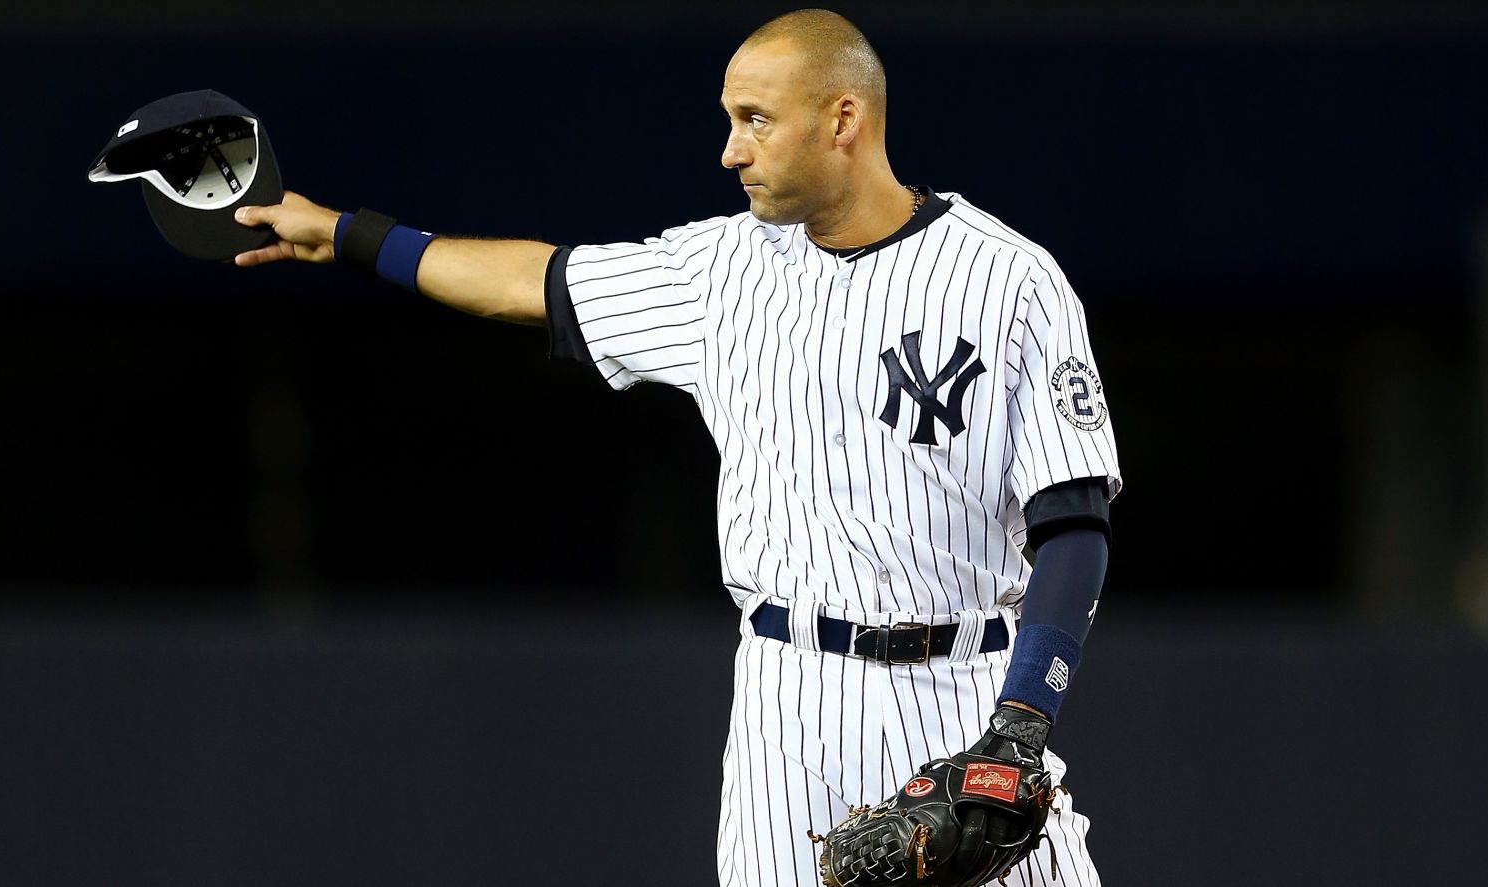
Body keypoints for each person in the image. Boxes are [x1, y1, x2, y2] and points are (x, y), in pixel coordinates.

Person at [234, 9, 1119, 887]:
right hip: (792, 708)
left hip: (975, 694)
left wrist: (1021, 726)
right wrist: (346, 234)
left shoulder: (1008, 279)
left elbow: (1074, 521)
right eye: (730, 120)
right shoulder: (718, 273)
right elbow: (530, 282)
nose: (731, 150)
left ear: (843, 119)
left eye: (755, 120)